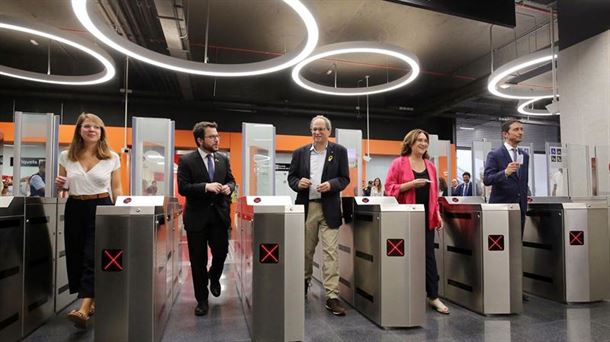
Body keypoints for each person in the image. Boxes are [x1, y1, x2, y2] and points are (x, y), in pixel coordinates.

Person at [55, 113, 122, 329]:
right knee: (75, 254)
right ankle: (91, 300)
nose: (91, 130)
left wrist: (118, 210)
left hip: (101, 205)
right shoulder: (66, 156)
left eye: (96, 127)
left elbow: (117, 188)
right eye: (86, 126)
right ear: (79, 130)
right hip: (75, 207)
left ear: (102, 132)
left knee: (92, 255)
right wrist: (60, 185)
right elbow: (63, 187)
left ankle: (83, 309)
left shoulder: (111, 157)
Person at [288, 115, 350, 316]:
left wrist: (332, 185)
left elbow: (344, 178)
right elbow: (292, 177)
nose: (317, 132)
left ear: (328, 132)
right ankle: (304, 284)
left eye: (321, 129)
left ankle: (332, 295)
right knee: (306, 251)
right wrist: (298, 184)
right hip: (308, 208)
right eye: (314, 129)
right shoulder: (300, 153)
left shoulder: (339, 152)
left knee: (331, 253)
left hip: (330, 208)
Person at [385, 129, 449, 314]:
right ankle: (403, 292)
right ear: (410, 143)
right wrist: (410, 185)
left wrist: (437, 214)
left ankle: (433, 296)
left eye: (425, 140)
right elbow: (388, 189)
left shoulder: (430, 166)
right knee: (404, 255)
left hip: (426, 217)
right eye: (419, 140)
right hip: (405, 217)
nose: (422, 143)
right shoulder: (398, 163)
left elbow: (434, 194)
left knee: (429, 256)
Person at [177, 121, 235, 317]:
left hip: (219, 215)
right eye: (212, 136)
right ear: (200, 140)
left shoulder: (223, 159)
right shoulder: (187, 161)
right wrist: (205, 187)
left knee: (221, 252)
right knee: (197, 260)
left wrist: (229, 187)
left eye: (217, 135)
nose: (217, 139)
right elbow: (183, 188)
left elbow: (231, 180)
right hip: (196, 217)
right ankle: (202, 300)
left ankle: (215, 276)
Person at [484, 119, 529, 234]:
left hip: (520, 209)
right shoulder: (495, 154)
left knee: (517, 243)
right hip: (501, 208)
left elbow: (523, 181)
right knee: (500, 246)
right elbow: (487, 179)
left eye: (521, 129)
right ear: (505, 134)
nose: (520, 132)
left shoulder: (524, 155)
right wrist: (505, 172)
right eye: (516, 129)